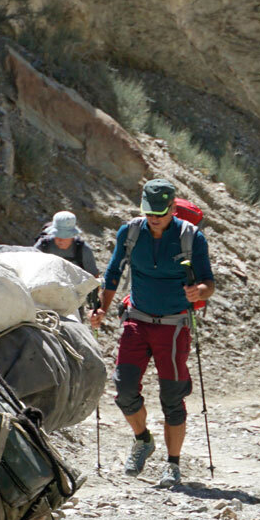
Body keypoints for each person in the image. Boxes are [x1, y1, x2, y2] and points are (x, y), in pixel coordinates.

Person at [90, 178, 215, 489]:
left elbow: (208, 283)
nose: (154, 218)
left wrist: (198, 291)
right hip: (136, 320)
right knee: (124, 389)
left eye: (160, 212)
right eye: (149, 212)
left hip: (174, 327)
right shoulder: (130, 232)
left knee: (172, 397)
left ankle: (173, 465)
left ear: (173, 208)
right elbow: (113, 272)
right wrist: (103, 308)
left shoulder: (191, 238)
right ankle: (143, 440)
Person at [36, 210, 100, 278]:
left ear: (72, 236)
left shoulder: (83, 250)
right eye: (57, 236)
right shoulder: (43, 245)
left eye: (65, 237)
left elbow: (93, 278)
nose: (60, 240)